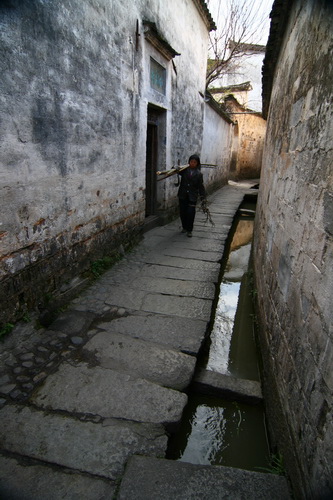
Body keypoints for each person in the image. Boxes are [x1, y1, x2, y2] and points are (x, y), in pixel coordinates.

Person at [177, 154, 206, 237]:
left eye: (194, 162)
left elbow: (201, 186)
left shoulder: (199, 174)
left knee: (191, 213)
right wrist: (176, 167)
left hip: (192, 196)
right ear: (189, 162)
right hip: (183, 195)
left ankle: (189, 230)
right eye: (191, 162)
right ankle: (184, 227)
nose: (192, 163)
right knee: (183, 212)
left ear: (197, 163)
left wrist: (203, 197)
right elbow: (175, 170)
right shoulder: (184, 170)